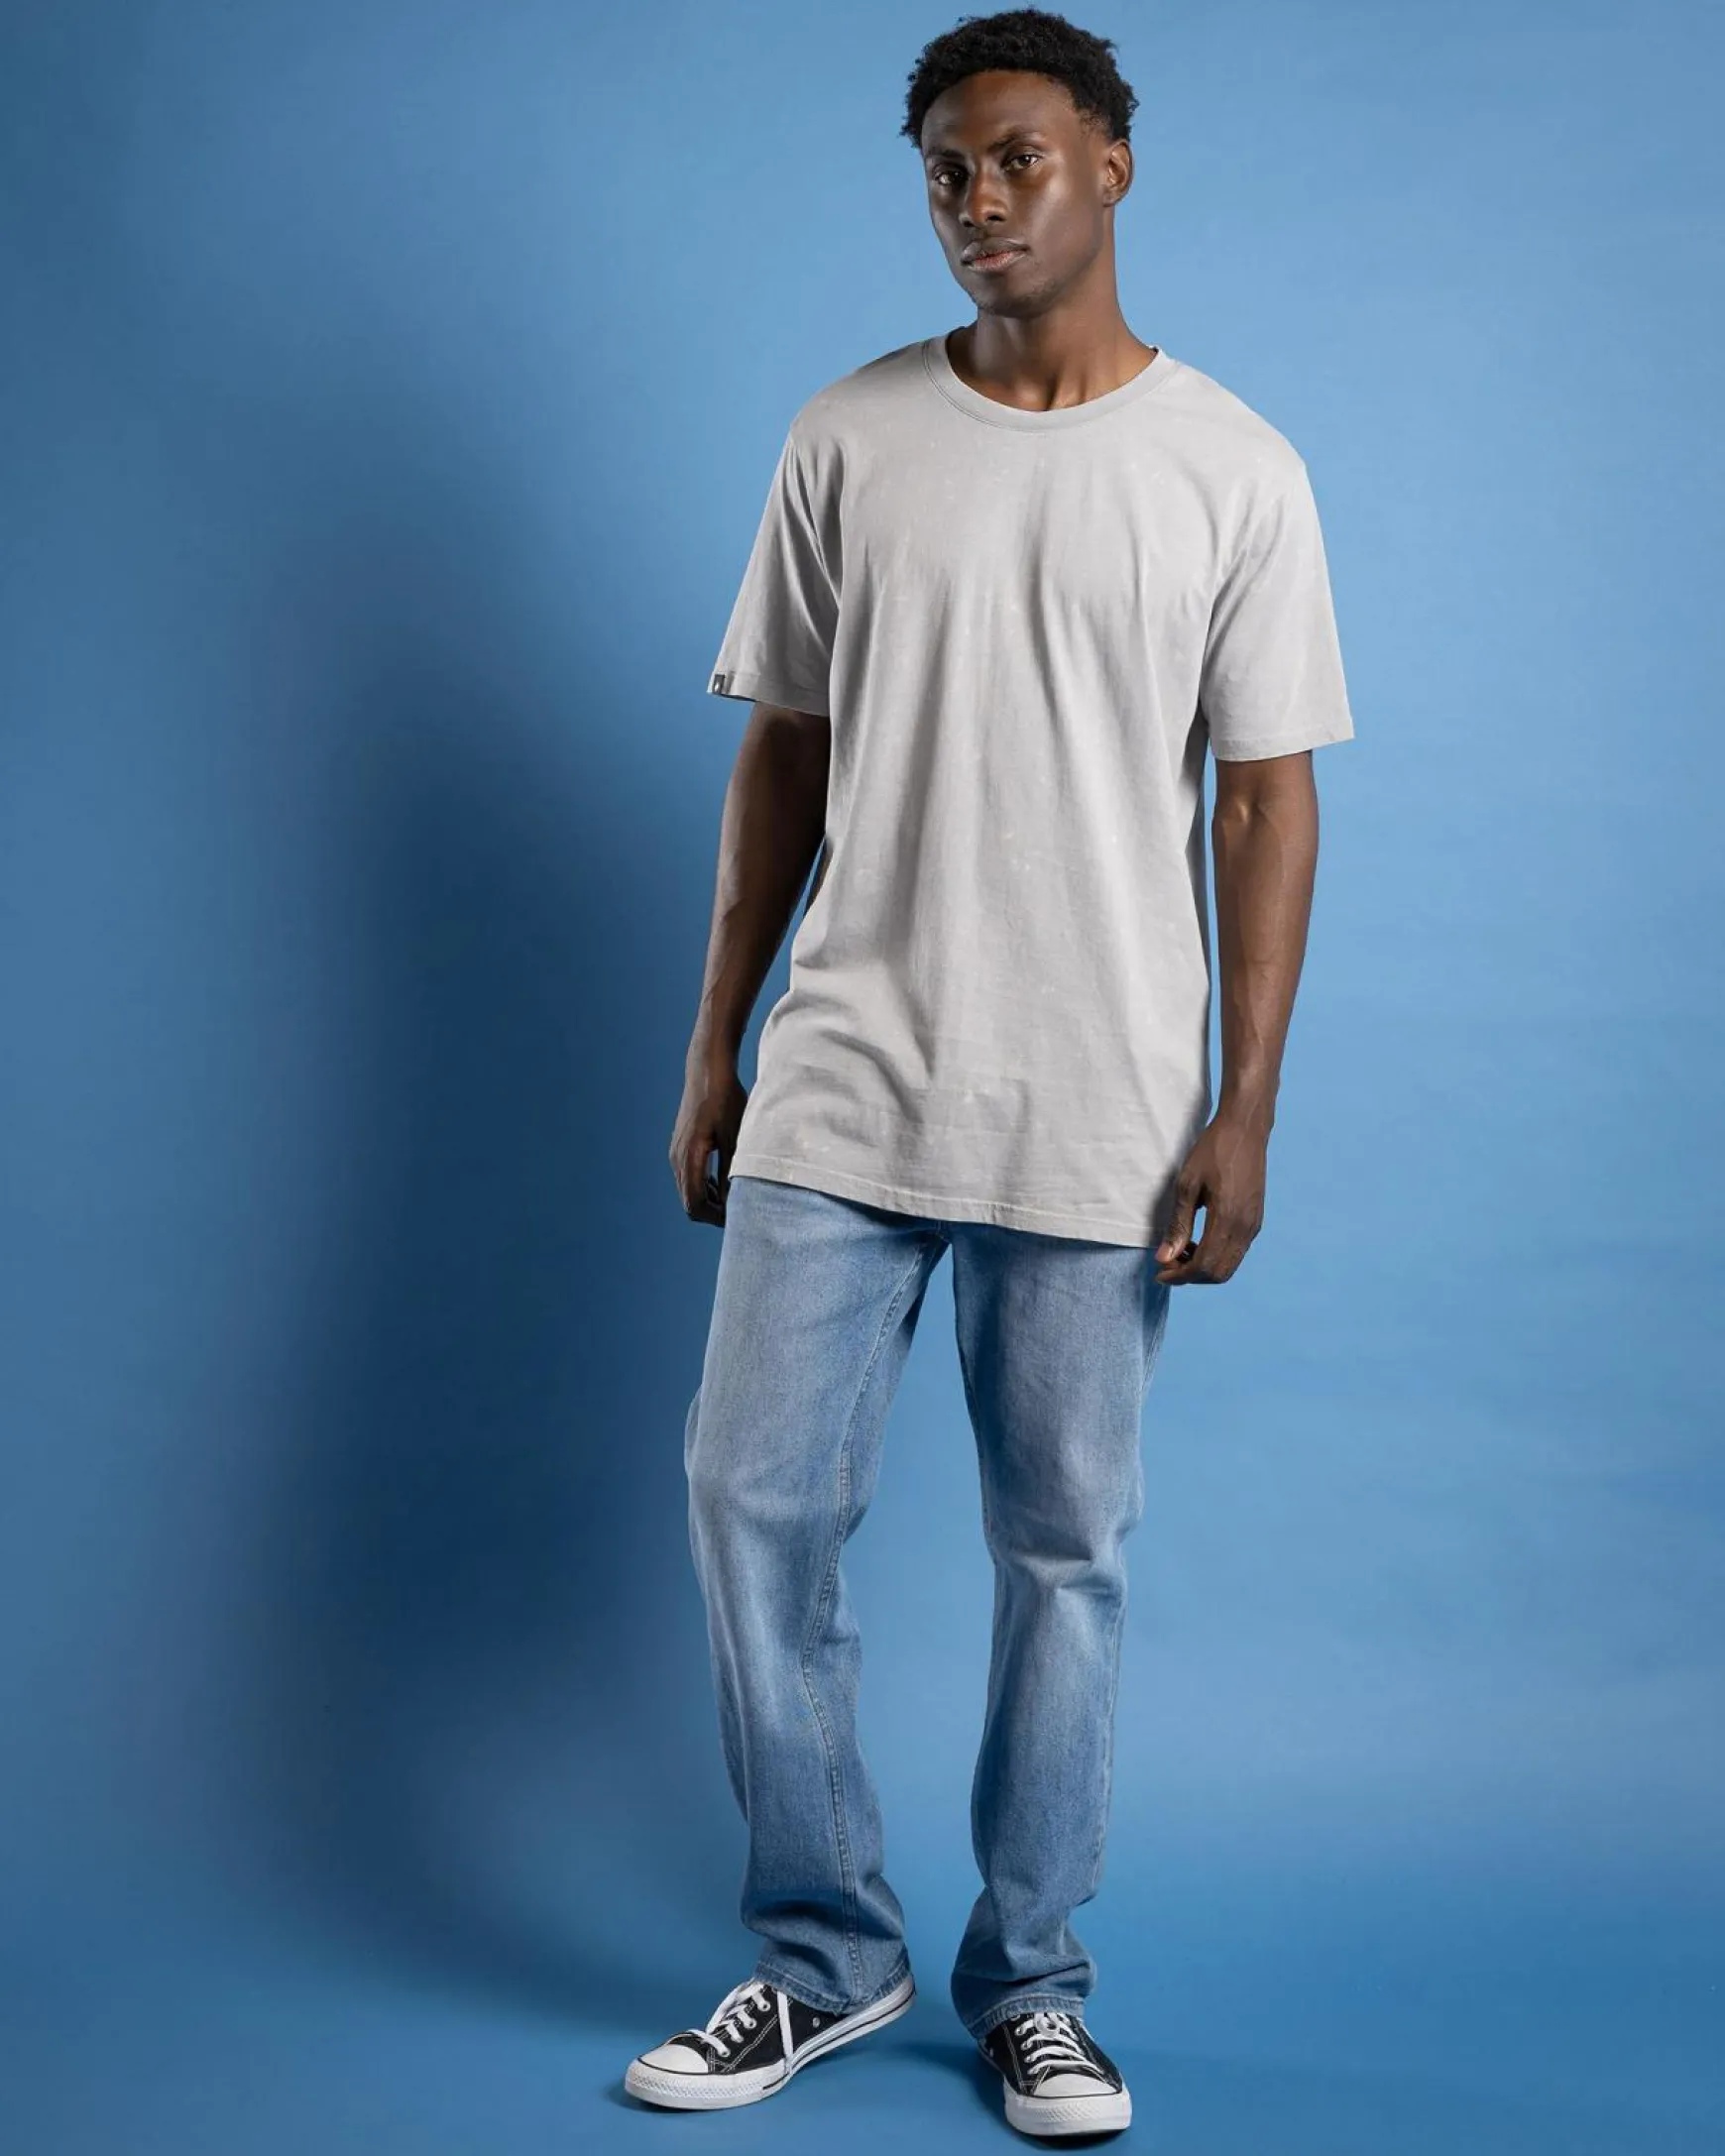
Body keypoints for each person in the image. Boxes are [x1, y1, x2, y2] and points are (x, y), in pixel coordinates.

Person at [626, 6, 1355, 2137]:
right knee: (749, 1501)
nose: (977, 201)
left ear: (1113, 161)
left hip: (1099, 1098)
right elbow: (782, 753)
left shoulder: (1234, 466)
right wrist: (714, 1044)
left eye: (1017, 157)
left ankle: (1033, 1979)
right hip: (845, 1078)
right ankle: (823, 1953)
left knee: (1063, 1552)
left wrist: (1246, 1102)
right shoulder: (850, 435)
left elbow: (1266, 800)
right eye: (946, 168)